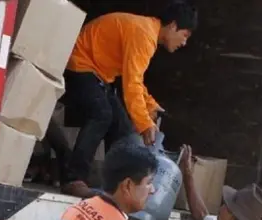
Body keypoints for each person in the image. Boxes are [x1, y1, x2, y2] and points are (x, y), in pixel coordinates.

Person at [60, 1, 198, 197]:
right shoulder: (144, 35)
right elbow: (131, 84)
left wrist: (150, 105)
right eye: (185, 35)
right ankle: (73, 178)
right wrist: (145, 124)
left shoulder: (147, 32)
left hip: (98, 75)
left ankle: (115, 187)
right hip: (80, 64)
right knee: (103, 114)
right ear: (173, 25)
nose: (184, 42)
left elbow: (134, 78)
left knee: (122, 129)